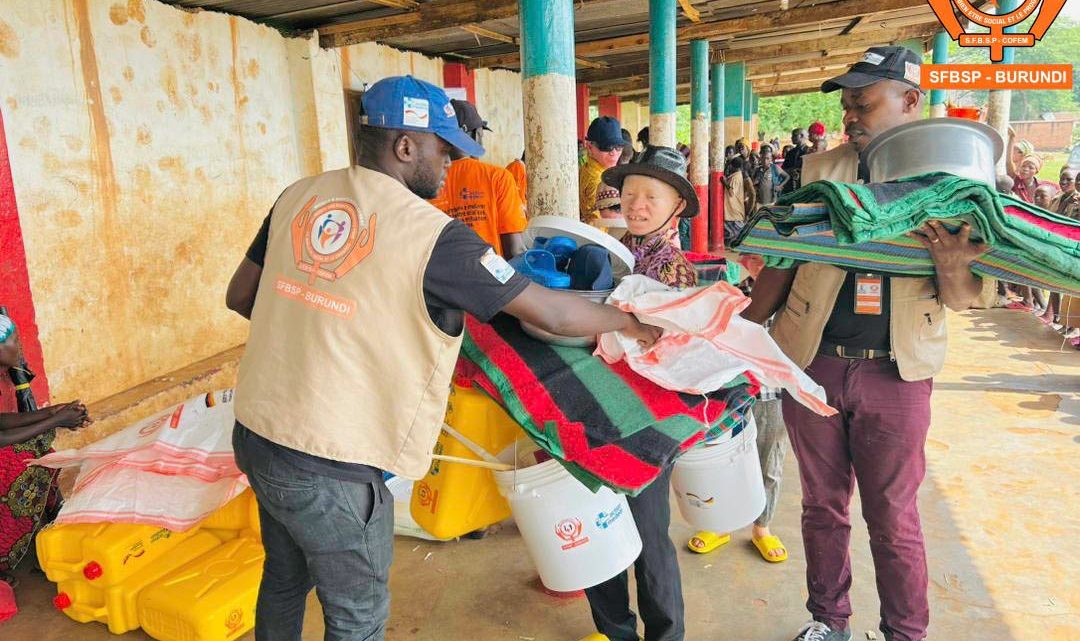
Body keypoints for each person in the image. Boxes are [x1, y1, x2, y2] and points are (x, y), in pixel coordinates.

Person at [224, 76, 662, 641]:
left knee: (284, 580)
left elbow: (242, 297)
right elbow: (549, 315)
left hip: (259, 430)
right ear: (405, 146)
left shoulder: (299, 195)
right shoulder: (434, 237)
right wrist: (628, 321)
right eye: (444, 148)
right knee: (356, 615)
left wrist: (323, 324)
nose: (452, 163)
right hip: (329, 459)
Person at [743, 47, 989, 641]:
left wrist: (953, 266)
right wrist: (745, 331)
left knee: (893, 516)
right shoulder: (821, 170)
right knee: (822, 507)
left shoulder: (949, 180)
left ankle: (906, 632)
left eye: (865, 101)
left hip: (896, 375)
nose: (852, 113)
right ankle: (829, 621)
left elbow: (967, 296)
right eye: (848, 102)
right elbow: (787, 258)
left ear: (910, 101)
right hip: (817, 360)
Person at [577, 146, 701, 641]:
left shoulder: (675, 269)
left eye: (651, 195)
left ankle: (665, 634)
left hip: (648, 419)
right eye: (630, 194)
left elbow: (673, 352)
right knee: (599, 520)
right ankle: (613, 628)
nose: (637, 204)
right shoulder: (617, 253)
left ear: (677, 206)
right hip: (600, 408)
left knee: (649, 534)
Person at [0, 316, 89, 588]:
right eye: (13, 340)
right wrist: (55, 420)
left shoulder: (4, 376)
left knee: (41, 452)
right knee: (19, 465)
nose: (20, 345)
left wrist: (55, 411)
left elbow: (2, 420)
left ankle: (46, 533)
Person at [429, 99, 527, 258]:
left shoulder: (423, 183)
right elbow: (515, 250)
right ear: (475, 135)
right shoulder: (498, 177)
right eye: (481, 134)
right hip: (488, 279)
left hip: (440, 279)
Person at [580, 116, 627, 224]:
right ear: (590, 146)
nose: (614, 152)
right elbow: (602, 222)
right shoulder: (597, 179)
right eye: (607, 147)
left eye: (618, 146)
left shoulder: (591, 167)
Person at [723, 154, 757, 247]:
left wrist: (724, 182)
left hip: (733, 213)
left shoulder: (737, 177)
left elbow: (731, 192)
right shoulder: (739, 176)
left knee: (734, 238)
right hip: (734, 211)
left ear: (732, 166)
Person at [782, 128, 812, 194]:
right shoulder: (790, 152)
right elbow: (783, 169)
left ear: (801, 136)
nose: (791, 137)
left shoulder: (809, 151)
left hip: (803, 183)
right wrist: (790, 171)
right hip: (789, 184)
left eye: (794, 135)